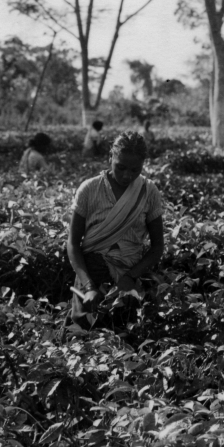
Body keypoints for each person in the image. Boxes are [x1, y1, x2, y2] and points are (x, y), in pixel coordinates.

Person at [67, 130, 164, 328]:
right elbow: (73, 243)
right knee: (82, 337)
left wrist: (130, 278)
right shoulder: (89, 189)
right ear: (110, 157)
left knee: (124, 340)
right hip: (92, 272)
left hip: (131, 273)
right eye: (121, 168)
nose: (127, 175)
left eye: (135, 170)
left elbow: (157, 247)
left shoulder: (149, 191)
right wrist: (89, 287)